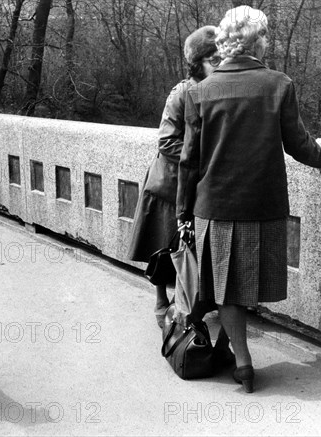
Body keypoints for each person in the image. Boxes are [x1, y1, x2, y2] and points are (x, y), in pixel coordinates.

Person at [176, 6, 321, 393]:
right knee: (245, 284)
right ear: (257, 41)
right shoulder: (278, 84)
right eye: (265, 37)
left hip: (214, 207)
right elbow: (298, 145)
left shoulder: (200, 92)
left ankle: (243, 362)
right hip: (262, 206)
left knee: (226, 286)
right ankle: (234, 354)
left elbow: (188, 162)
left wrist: (183, 212)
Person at [127, 26, 233, 364]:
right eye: (214, 60)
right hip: (170, 186)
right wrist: (204, 159)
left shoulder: (223, 92)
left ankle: (188, 304)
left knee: (190, 252)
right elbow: (166, 141)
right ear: (197, 62)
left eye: (222, 59)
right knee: (162, 248)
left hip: (200, 189)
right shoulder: (182, 93)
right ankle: (161, 301)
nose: (220, 65)